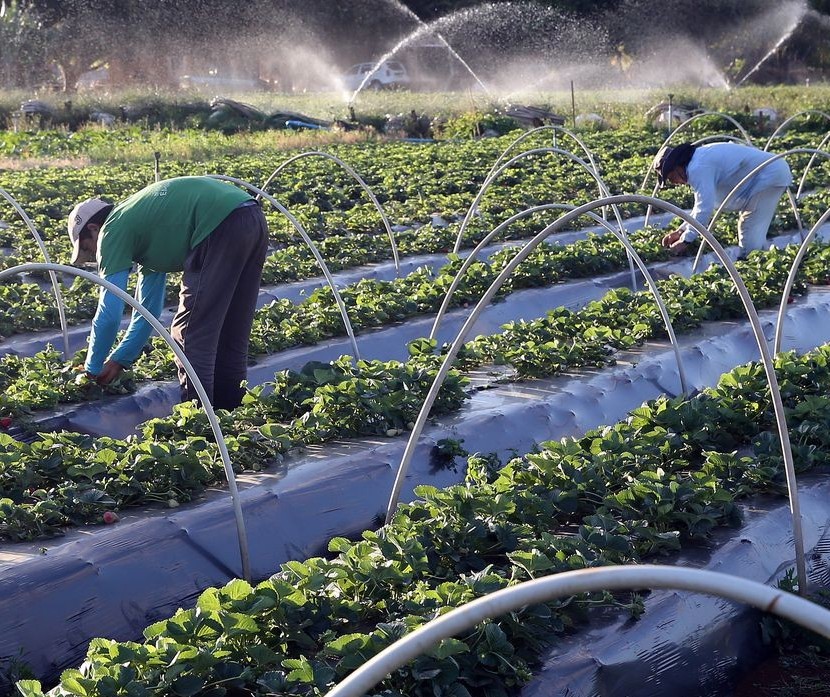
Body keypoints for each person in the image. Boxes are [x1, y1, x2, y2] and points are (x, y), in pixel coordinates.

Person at [68, 175, 269, 411]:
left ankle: (200, 421)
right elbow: (148, 311)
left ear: (93, 229)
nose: (93, 255)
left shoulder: (112, 230)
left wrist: (91, 370)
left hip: (218, 223)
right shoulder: (142, 226)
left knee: (190, 333)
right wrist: (120, 358)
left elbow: (110, 311)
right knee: (231, 329)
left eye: (87, 248)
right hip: (251, 216)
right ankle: (230, 414)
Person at [654, 141, 792, 258]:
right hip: (769, 173)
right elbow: (700, 206)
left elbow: (704, 209)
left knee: (749, 227)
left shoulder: (698, 168)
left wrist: (685, 241)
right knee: (753, 228)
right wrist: (680, 232)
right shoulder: (698, 159)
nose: (675, 183)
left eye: (672, 178)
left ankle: (752, 267)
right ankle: (761, 260)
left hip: (769, 175)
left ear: (678, 166)